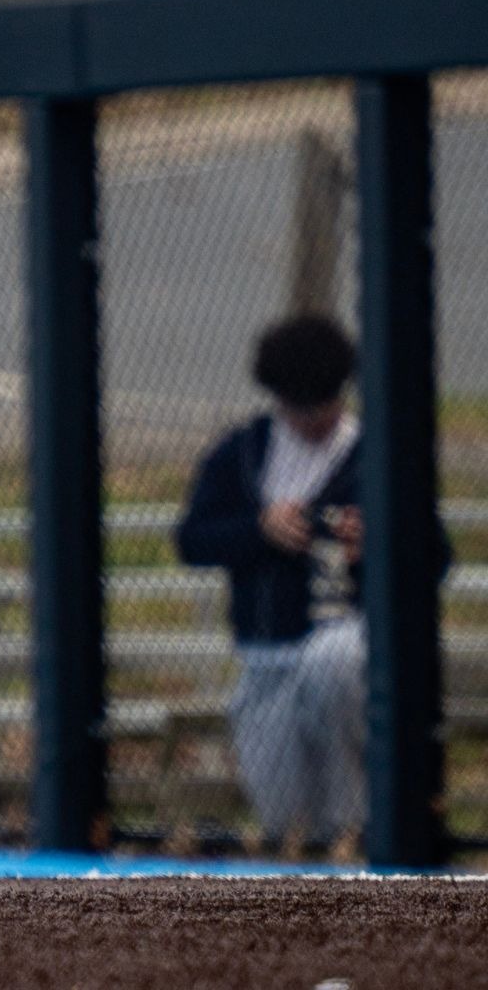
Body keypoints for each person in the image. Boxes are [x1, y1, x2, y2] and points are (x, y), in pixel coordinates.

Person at [174, 314, 451, 852]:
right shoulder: (243, 453)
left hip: (351, 635)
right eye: (298, 408)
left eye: (323, 404)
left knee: (332, 664)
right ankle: (316, 851)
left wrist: (377, 548)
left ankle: (366, 833)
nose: (312, 420)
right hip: (267, 652)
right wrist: (259, 530)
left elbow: (434, 556)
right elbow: (192, 540)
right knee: (283, 811)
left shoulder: (380, 456)